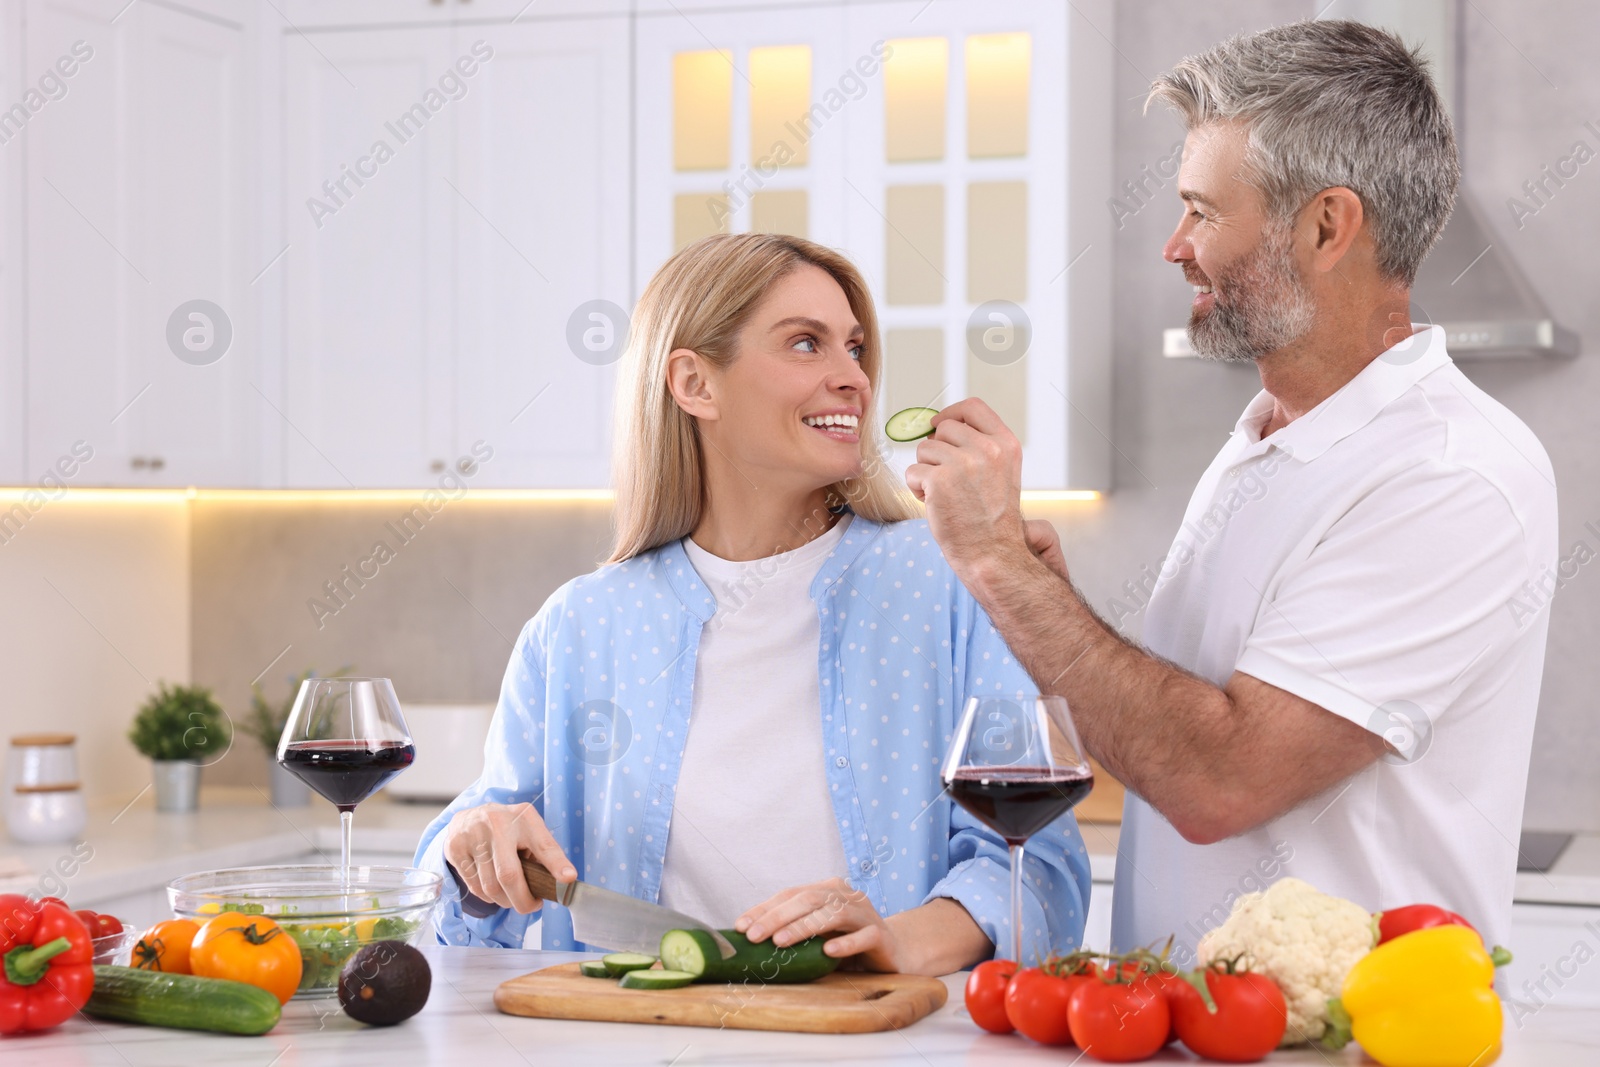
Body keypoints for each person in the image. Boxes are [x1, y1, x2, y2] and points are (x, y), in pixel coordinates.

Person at [904, 19, 1556, 966]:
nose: (1175, 245)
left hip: (1342, 1040)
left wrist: (998, 565)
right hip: (1201, 1029)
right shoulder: (1267, 436)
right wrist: (1042, 594)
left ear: (1327, 225)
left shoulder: (1450, 472)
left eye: (1205, 212)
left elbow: (1218, 780)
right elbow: (1175, 722)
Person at [415, 233, 1091, 975]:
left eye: (855, 348)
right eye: (806, 344)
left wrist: (900, 940)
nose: (853, 379)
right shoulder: (580, 625)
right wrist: (469, 849)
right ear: (694, 383)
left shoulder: (949, 581)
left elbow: (1040, 870)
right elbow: (453, 903)